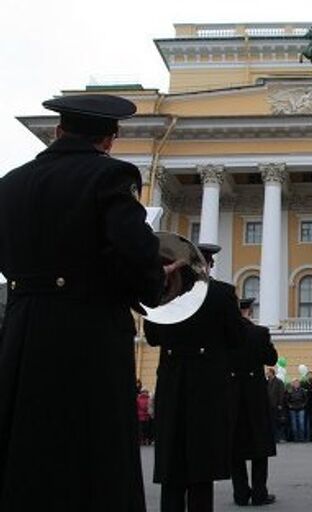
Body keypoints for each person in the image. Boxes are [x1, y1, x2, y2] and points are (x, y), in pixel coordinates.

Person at [0, 94, 170, 510]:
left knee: (25, 442)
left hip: (21, 330)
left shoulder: (10, 183)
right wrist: (155, 280)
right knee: (95, 450)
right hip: (89, 333)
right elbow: (135, 253)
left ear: (58, 132)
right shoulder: (110, 177)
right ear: (109, 140)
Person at [144, 243, 244, 512]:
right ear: (207, 265)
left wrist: (162, 289)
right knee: (202, 466)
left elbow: (152, 338)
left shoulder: (167, 291)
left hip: (172, 384)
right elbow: (237, 338)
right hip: (207, 388)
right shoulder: (222, 294)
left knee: (171, 465)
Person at [229, 297, 278, 506]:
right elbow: (271, 359)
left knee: (235, 447)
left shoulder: (224, 334)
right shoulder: (259, 332)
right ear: (248, 311)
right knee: (259, 447)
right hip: (255, 396)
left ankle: (240, 494)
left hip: (231, 396)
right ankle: (259, 494)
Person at [265, 368, 286, 442]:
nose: (266, 374)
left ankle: (277, 438)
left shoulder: (279, 382)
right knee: (270, 422)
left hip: (276, 405)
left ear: (271, 373)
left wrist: (280, 404)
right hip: (268, 406)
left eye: (267, 372)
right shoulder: (266, 382)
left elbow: (281, 393)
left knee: (277, 422)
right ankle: (271, 438)